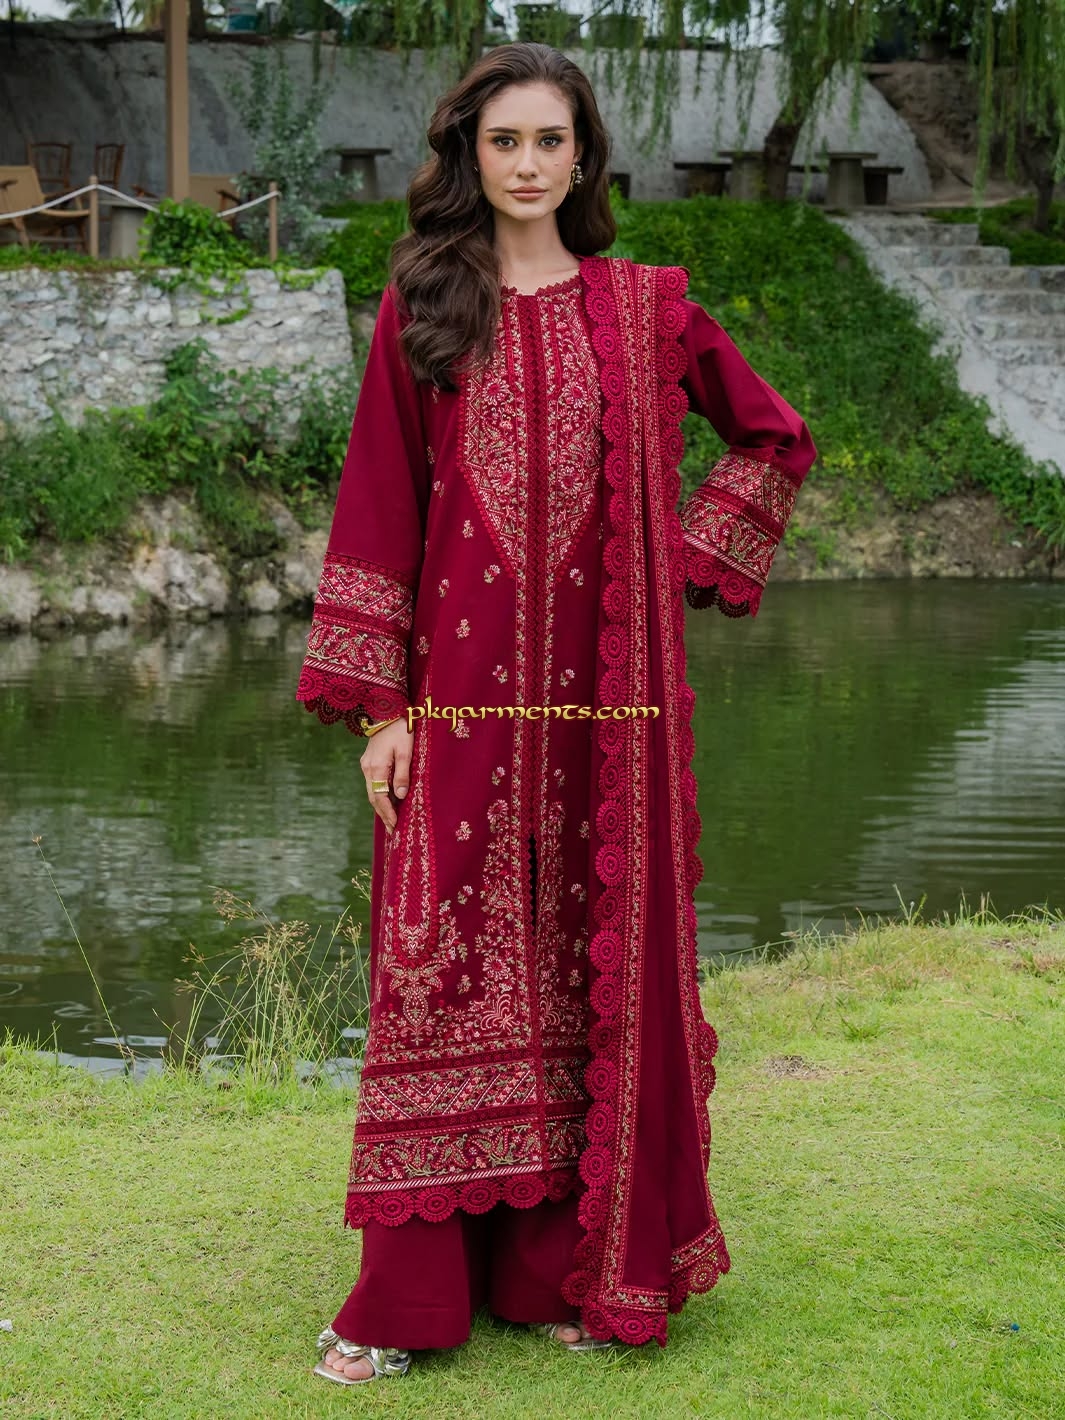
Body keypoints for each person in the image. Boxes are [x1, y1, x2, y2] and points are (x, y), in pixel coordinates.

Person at [296, 41, 817, 1386]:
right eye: (503, 141)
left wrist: (693, 560)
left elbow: (773, 436)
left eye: (549, 140)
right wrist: (381, 708)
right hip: (459, 713)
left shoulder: (645, 311)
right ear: (468, 156)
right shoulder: (425, 304)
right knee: (439, 980)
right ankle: (407, 1299)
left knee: (590, 979)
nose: (527, 164)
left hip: (609, 717)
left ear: (584, 156)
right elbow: (380, 501)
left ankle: (555, 1275)